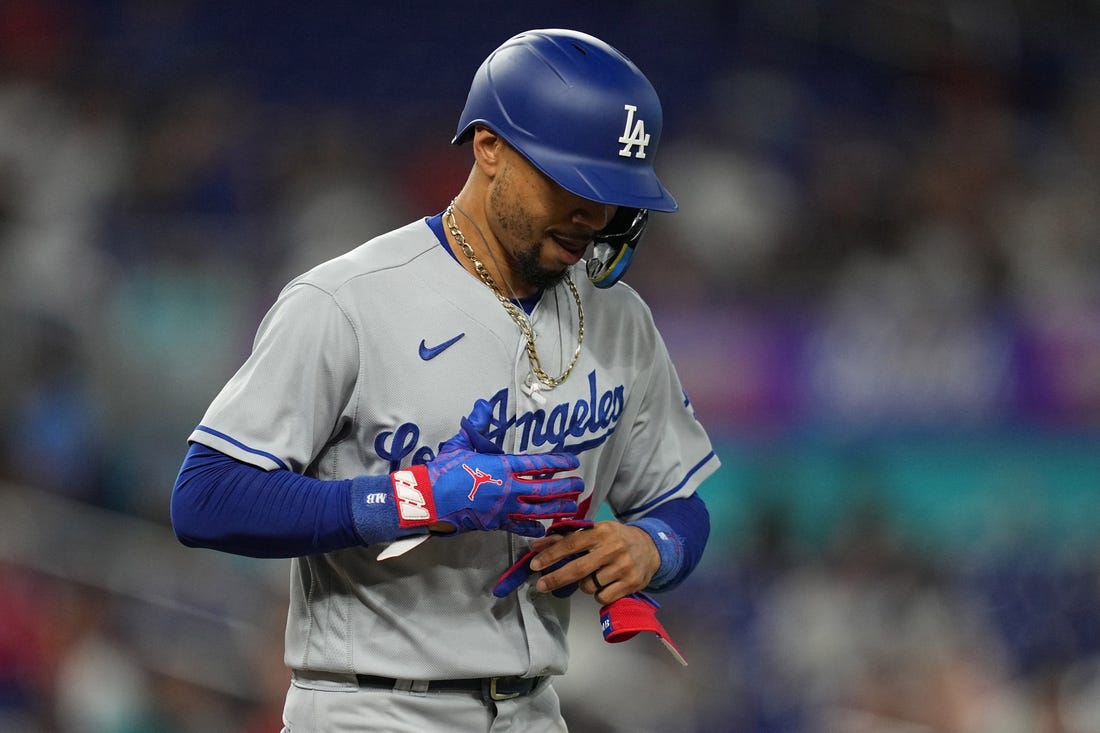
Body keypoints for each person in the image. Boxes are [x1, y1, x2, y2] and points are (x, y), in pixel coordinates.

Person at [170, 28, 719, 733]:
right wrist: (415, 496)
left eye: (613, 192)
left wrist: (650, 547)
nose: (595, 215)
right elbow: (206, 496)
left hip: (535, 708)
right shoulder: (348, 300)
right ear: (489, 146)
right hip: (371, 705)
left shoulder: (620, 318)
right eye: (572, 182)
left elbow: (679, 501)